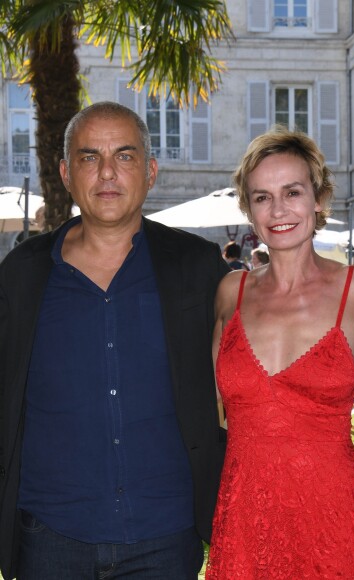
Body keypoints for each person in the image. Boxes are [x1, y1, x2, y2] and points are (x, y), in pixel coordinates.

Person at [0, 102, 230, 580]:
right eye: (89, 157)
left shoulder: (199, 268)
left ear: (150, 170)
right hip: (50, 538)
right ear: (65, 172)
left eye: (124, 156)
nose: (107, 172)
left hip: (166, 538)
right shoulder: (21, 275)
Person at [205, 126, 354, 578]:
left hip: (331, 521)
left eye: (292, 191)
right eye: (262, 197)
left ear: (319, 198)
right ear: (248, 210)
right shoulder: (231, 293)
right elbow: (202, 407)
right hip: (245, 522)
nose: (279, 210)